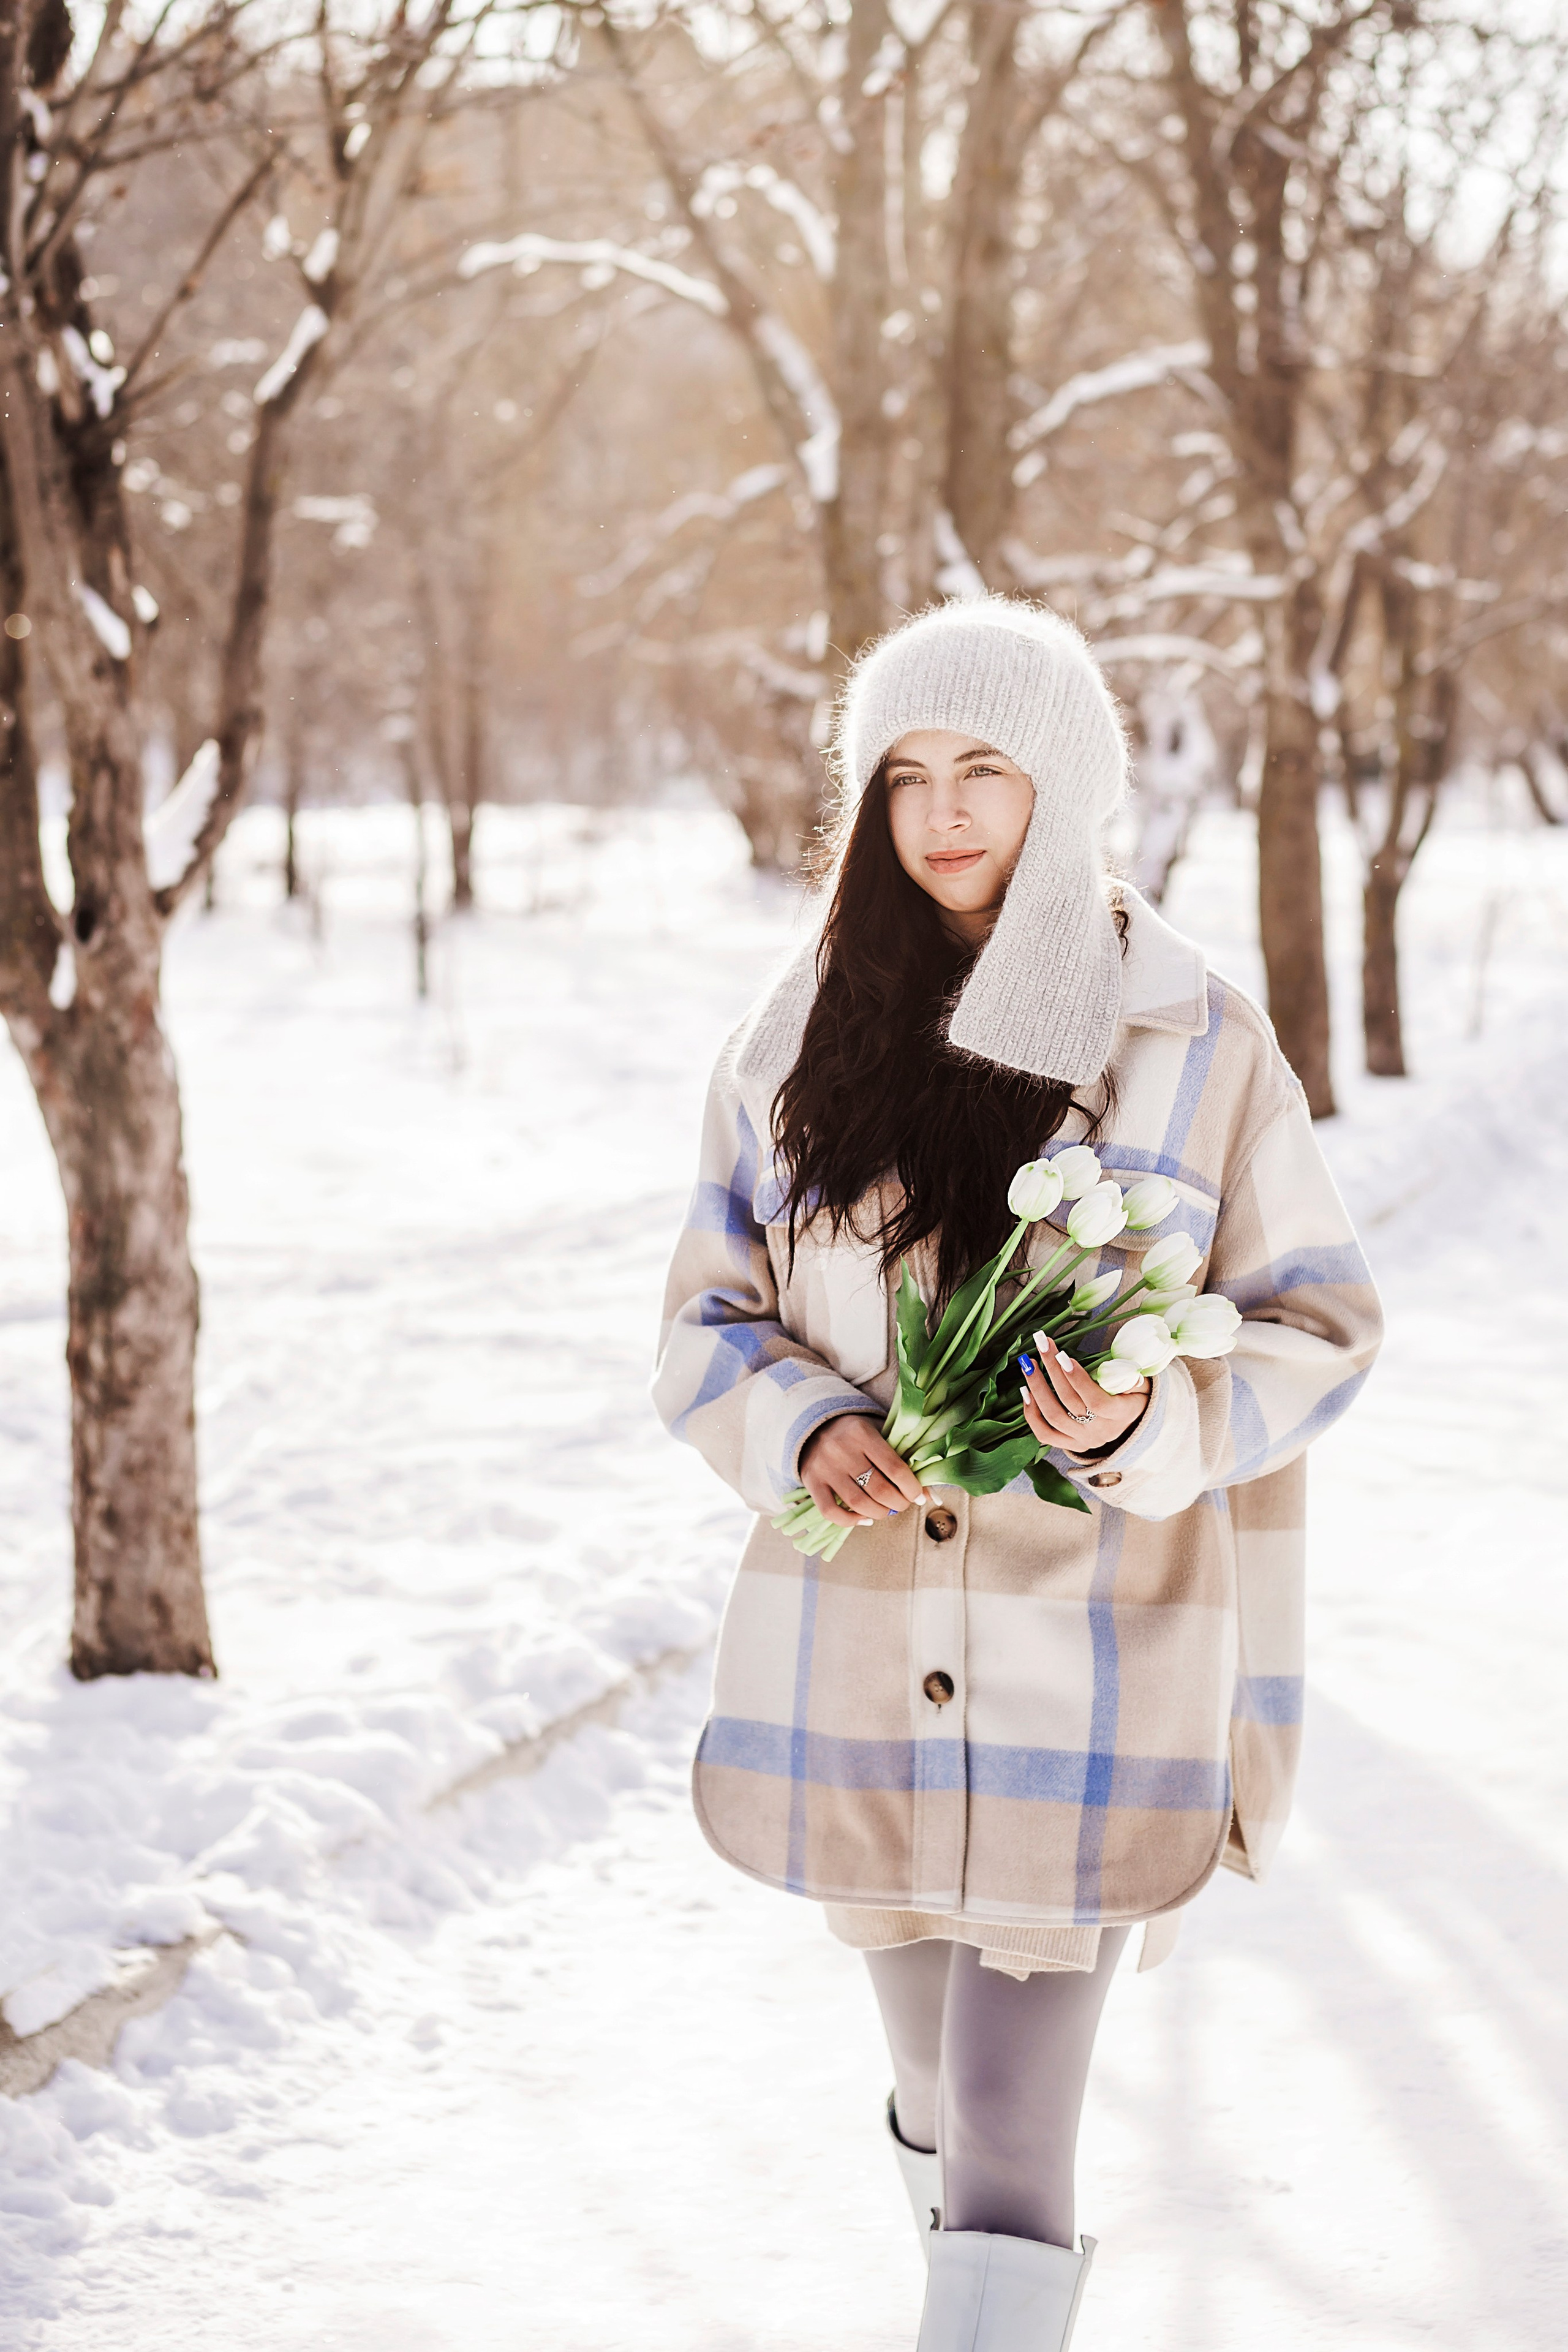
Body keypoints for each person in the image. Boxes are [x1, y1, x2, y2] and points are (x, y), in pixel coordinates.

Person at [654, 599, 1381, 2351]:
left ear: (1068, 782)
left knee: (1003, 2117)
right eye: (907, 774)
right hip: (868, 1662)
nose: (947, 811)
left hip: (1103, 1664)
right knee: (929, 2080)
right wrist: (798, 1424)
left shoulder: (1196, 1040)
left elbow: (1319, 1325)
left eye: (988, 767)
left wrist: (1152, 1427)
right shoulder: (795, 1038)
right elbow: (705, 1316)